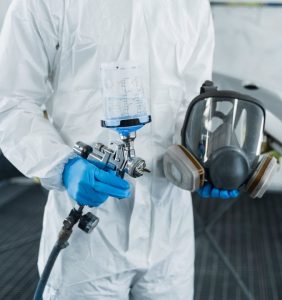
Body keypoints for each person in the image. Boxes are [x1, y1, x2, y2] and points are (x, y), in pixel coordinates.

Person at [0, 0, 233, 299]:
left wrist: (204, 158)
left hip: (169, 230)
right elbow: (11, 102)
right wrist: (63, 165)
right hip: (88, 234)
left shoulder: (191, 5)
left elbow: (190, 104)